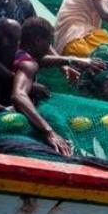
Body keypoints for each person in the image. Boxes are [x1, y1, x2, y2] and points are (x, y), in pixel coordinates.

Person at [11, 17, 95, 156]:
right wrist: (49, 131)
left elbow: (42, 60)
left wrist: (71, 61)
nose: (49, 47)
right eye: (49, 42)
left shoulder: (19, 53)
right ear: (38, 41)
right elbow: (18, 95)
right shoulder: (28, 64)